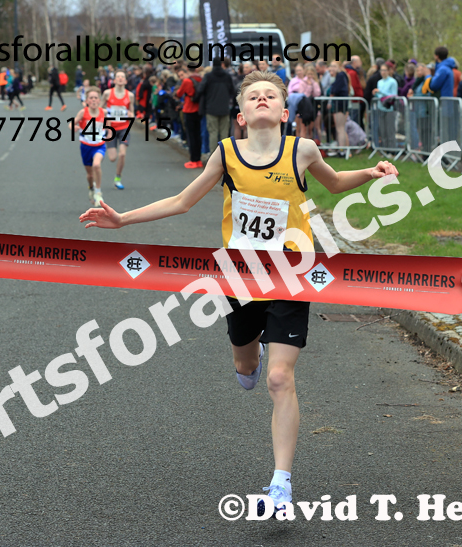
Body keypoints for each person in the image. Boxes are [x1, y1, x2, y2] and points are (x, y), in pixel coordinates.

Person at [78, 70, 398, 517]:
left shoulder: (301, 150)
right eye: (253, 97)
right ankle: (251, 358)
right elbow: (181, 201)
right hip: (242, 278)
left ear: (286, 113)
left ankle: (281, 485)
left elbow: (336, 183)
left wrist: (370, 171)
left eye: (271, 95)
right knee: (246, 368)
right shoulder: (227, 154)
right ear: (242, 115)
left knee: (279, 379)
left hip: (291, 273)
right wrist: (122, 220)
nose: (262, 100)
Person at [70, 87, 108, 206]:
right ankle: (91, 187)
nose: (93, 100)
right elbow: (72, 123)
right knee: (90, 174)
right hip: (86, 147)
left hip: (99, 145)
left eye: (96, 98)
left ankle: (98, 192)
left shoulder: (104, 112)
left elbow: (109, 125)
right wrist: (74, 128)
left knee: (97, 165)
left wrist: (109, 133)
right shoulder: (83, 112)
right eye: (91, 98)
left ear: (99, 100)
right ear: (86, 100)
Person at [101, 70, 134, 185]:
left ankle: (118, 178)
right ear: (114, 80)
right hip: (111, 128)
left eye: (122, 77)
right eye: (118, 77)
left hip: (124, 127)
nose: (120, 78)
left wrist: (131, 115)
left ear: (125, 80)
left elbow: (132, 113)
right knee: (112, 158)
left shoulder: (130, 95)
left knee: (122, 154)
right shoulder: (107, 93)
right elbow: (100, 110)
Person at [197, 57, 235, 154]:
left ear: (213, 64)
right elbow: (232, 91)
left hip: (211, 108)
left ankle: (214, 156)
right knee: (224, 133)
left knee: (213, 133)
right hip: (224, 108)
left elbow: (201, 90)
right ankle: (225, 155)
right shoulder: (227, 76)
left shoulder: (208, 76)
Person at [175, 65, 202, 168]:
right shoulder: (200, 79)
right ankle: (198, 160)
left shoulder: (187, 81)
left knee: (191, 136)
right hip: (198, 109)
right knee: (198, 135)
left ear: (187, 70)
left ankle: (193, 160)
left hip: (189, 109)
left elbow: (179, 93)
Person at [328, 61, 350, 156]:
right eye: (331, 66)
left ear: (339, 67)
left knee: (340, 128)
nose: (332, 68)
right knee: (340, 128)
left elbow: (334, 90)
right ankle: (343, 149)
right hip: (340, 104)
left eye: (334, 66)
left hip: (340, 105)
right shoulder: (340, 76)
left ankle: (342, 151)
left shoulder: (341, 75)